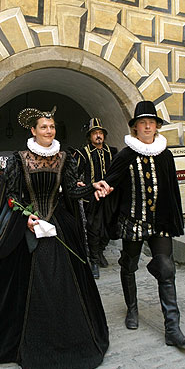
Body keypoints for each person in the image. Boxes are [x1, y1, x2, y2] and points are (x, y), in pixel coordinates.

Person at [0, 106, 110, 369]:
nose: (49, 131)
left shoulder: (64, 157)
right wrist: (27, 217)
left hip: (57, 226)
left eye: (52, 127)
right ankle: (20, 341)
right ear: (33, 130)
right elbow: (11, 195)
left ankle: (66, 340)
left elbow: (73, 190)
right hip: (27, 227)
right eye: (43, 127)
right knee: (16, 283)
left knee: (61, 283)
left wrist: (94, 187)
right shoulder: (19, 159)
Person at [91, 101, 185, 348]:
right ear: (135, 128)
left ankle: (173, 328)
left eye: (152, 123)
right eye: (142, 123)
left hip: (160, 223)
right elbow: (111, 181)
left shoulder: (166, 154)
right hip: (132, 221)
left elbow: (171, 192)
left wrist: (174, 221)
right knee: (129, 265)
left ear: (157, 127)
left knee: (167, 269)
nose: (147, 126)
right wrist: (102, 191)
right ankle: (132, 309)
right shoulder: (125, 155)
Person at [74, 118, 118, 278]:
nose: (98, 136)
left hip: (109, 195)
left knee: (110, 226)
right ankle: (93, 261)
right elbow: (74, 172)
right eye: (95, 133)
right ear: (90, 136)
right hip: (92, 198)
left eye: (100, 133)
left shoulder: (111, 152)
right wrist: (78, 182)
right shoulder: (83, 153)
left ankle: (100, 252)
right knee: (93, 229)